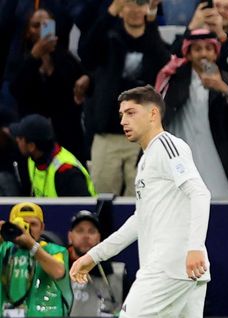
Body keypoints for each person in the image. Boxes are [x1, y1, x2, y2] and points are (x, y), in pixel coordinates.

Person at [69, 85, 215, 318]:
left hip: (171, 265)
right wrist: (93, 256)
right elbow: (139, 221)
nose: (123, 121)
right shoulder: (149, 160)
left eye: (130, 113)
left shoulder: (168, 147)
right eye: (120, 115)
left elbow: (201, 194)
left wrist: (194, 246)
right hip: (183, 268)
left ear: (153, 113)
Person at [79, 0, 170, 197]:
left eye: (141, 4)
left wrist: (152, 19)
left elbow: (163, 62)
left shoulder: (153, 41)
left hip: (143, 136)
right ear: (121, 9)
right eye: (130, 4)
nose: (136, 9)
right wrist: (110, 11)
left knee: (142, 202)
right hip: (107, 134)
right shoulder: (109, 39)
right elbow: (86, 52)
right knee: (101, 200)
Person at [158, 29, 228, 198]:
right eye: (197, 49)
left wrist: (223, 89)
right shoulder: (175, 78)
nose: (203, 54)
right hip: (183, 149)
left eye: (208, 48)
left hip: (216, 151)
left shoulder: (226, 79)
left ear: (215, 53)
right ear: (189, 54)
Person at [9, 8, 89, 160]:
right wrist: (34, 57)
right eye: (35, 25)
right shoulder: (20, 58)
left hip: (67, 136)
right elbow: (15, 89)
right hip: (35, 139)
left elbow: (85, 78)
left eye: (46, 25)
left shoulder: (65, 56)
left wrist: (85, 79)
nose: (40, 30)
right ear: (27, 31)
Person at [0, 201, 72, 318]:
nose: (27, 230)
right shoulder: (3, 250)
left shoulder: (55, 251)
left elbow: (58, 271)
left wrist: (31, 245)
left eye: (33, 224)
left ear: (42, 227)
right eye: (21, 224)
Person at [10, 114, 96, 197]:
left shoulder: (66, 172)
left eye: (20, 138)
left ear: (32, 146)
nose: (17, 140)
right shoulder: (33, 159)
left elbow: (82, 209)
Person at [67, 210, 125, 318]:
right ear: (70, 237)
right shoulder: (58, 268)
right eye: (80, 231)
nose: (85, 236)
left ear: (99, 238)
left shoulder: (118, 273)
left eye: (91, 231)